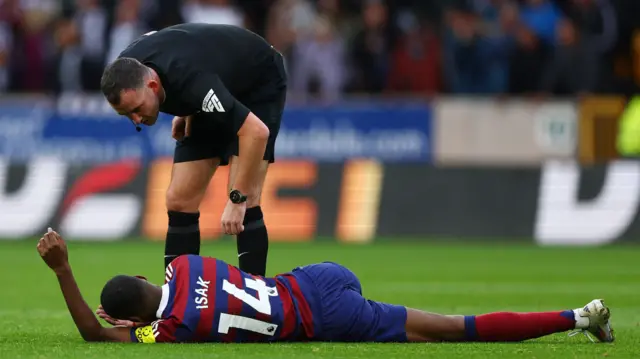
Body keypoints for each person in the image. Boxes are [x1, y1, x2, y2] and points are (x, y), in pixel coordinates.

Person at [37, 229, 615, 344]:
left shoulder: (171, 330)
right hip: (319, 276)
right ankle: (582, 319)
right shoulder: (186, 266)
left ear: (137, 320)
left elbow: (93, 334)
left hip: (325, 320)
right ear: (146, 277)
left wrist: (64, 271)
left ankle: (580, 316)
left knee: (451, 330)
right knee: (446, 327)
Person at [100, 23, 288, 275]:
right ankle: (178, 303)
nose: (136, 120)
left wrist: (237, 198)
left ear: (153, 86)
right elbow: (176, 46)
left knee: (247, 200)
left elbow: (256, 132)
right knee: (179, 199)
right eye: (126, 115)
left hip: (258, 83)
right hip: (211, 85)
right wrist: (185, 107)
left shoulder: (192, 80)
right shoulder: (127, 68)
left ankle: (256, 303)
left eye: (137, 109)